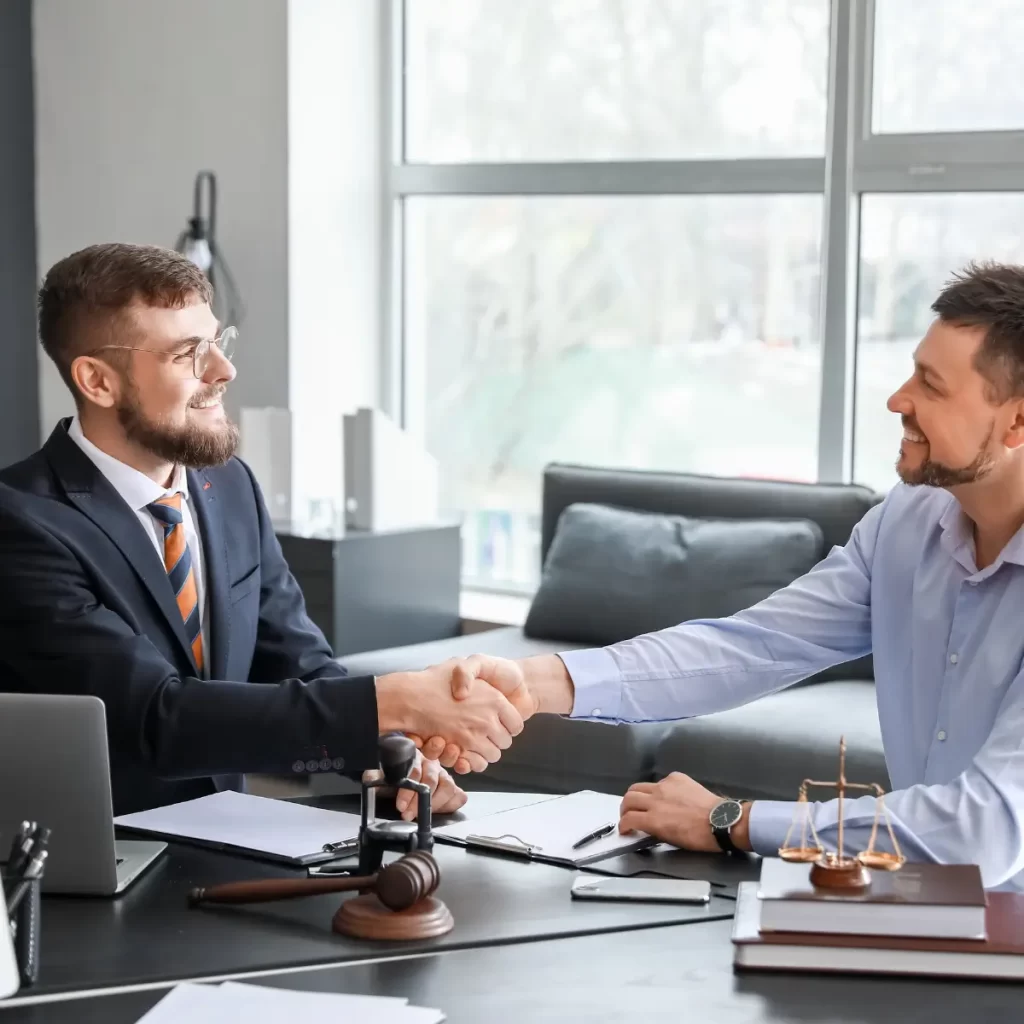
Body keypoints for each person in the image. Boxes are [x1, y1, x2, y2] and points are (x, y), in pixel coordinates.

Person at [441, 261, 1024, 892]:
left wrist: (732, 820)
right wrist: (536, 683)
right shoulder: (907, 523)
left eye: (931, 386)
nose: (897, 399)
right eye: (913, 369)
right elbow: (753, 645)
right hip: (931, 905)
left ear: (1017, 421)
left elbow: (981, 830)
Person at [0, 242, 522, 817]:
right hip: (108, 866)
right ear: (98, 382)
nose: (224, 371)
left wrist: (384, 755)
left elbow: (294, 662)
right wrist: (390, 700)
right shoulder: (20, 521)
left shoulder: (229, 486)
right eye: (187, 355)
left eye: (217, 343)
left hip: (233, 839)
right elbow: (157, 717)